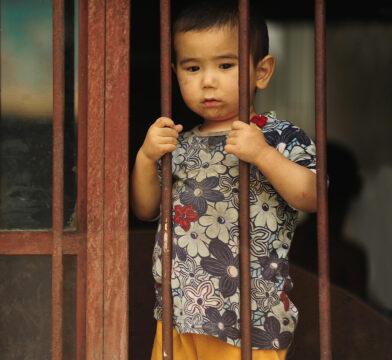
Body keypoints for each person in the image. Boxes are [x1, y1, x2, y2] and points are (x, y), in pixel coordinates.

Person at [130, 1, 317, 359]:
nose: (208, 80)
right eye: (193, 67)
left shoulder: (280, 138)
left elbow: (311, 197)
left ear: (261, 71)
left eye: (226, 65)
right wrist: (145, 157)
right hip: (179, 314)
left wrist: (262, 154)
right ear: (175, 73)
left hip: (251, 319)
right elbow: (144, 208)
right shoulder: (178, 143)